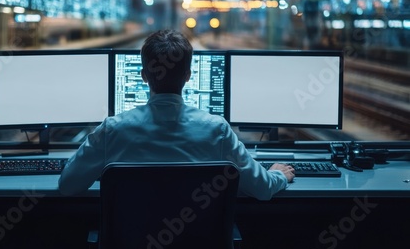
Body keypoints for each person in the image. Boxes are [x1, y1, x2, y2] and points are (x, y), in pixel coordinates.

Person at [58, 29, 294, 199]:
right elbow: (262, 190)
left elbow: (67, 185)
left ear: (143, 76)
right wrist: (278, 175)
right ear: (189, 75)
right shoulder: (217, 131)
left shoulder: (113, 130)